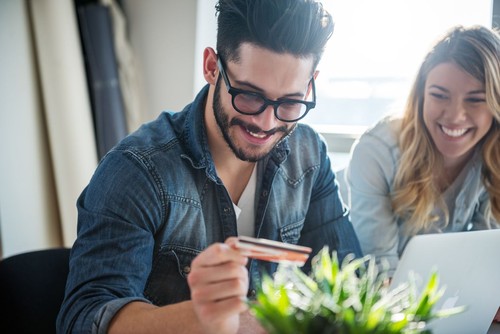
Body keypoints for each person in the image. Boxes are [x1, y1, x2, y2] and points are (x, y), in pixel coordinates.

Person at [57, 1, 363, 333]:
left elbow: (351, 284)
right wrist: (205, 318)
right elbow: (84, 319)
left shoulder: (309, 156)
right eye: (249, 95)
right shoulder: (136, 171)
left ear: (310, 85)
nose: (266, 122)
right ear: (211, 67)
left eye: (289, 103)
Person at [345, 25, 500, 278]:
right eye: (439, 95)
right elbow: (380, 271)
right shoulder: (377, 152)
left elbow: (487, 262)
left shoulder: (492, 154)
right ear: (420, 96)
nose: (455, 117)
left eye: (475, 99)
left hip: (441, 295)